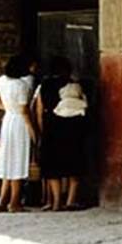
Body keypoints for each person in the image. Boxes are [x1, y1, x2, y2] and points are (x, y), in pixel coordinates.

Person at [32, 56, 88, 211]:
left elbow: (38, 110)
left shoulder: (44, 85)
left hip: (51, 126)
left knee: (52, 166)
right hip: (72, 127)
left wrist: (41, 130)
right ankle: (70, 201)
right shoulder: (75, 85)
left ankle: (56, 202)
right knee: (74, 163)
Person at [0, 55, 36, 212]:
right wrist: (32, 130)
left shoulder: (2, 80)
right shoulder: (21, 85)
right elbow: (24, 111)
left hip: (8, 120)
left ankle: (3, 201)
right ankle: (15, 202)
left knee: (7, 159)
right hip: (19, 124)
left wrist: (7, 108)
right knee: (18, 160)